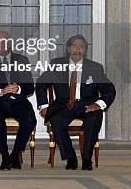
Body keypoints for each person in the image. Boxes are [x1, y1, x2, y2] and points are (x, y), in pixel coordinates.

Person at [36, 34, 116, 171]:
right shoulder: (57, 64)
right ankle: (71, 158)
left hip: (87, 106)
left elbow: (109, 90)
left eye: (81, 47)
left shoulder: (95, 68)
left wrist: (99, 104)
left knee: (93, 119)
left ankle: (86, 159)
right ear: (68, 48)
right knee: (56, 120)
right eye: (74, 46)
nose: (77, 50)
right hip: (64, 105)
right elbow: (41, 83)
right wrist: (43, 106)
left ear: (85, 50)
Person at [0, 30, 36, 170]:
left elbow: (30, 88)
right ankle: (5, 156)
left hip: (18, 102)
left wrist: (19, 89)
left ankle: (15, 155)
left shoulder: (22, 60)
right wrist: (1, 91)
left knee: (30, 119)